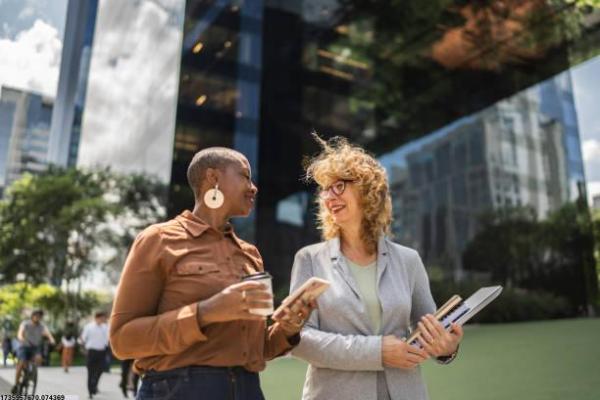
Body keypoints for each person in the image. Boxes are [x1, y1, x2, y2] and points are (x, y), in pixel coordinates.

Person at [110, 147, 315, 400]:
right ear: (213, 178)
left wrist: (287, 328)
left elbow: (257, 349)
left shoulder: (251, 254)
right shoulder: (158, 239)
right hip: (179, 389)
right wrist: (207, 312)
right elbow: (122, 340)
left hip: (248, 389)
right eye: (245, 176)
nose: (254, 187)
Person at [287, 136, 463, 400]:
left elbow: (429, 329)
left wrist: (446, 347)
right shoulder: (309, 259)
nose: (328, 197)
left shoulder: (408, 260)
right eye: (324, 189)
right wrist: (377, 351)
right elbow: (299, 339)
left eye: (338, 186)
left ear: (366, 190)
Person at [11, 310, 56, 394]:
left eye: (39, 316)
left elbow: (48, 333)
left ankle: (31, 372)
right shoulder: (25, 323)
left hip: (35, 347)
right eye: (36, 315)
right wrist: (20, 337)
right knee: (20, 364)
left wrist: (52, 339)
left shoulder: (42, 326)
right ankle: (16, 384)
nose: (37, 317)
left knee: (39, 359)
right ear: (32, 316)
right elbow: (20, 332)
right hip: (24, 346)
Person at [80, 311, 109, 399]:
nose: (104, 319)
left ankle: (94, 385)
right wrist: (83, 349)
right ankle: (90, 392)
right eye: (103, 318)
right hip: (92, 352)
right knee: (90, 372)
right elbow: (82, 339)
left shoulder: (105, 327)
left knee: (100, 370)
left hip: (102, 352)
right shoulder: (89, 327)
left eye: (105, 318)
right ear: (97, 318)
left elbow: (108, 339)